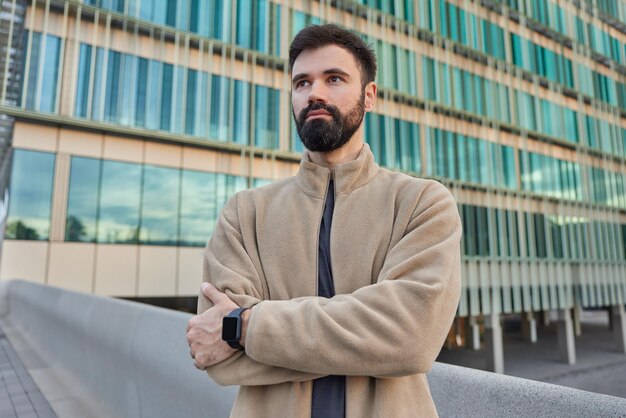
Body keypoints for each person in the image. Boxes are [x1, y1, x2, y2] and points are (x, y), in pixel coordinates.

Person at [186, 24, 461, 418]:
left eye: (334, 78)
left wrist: (244, 327)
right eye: (302, 83)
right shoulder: (244, 213)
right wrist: (366, 342)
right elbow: (219, 355)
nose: (314, 92)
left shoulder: (421, 203)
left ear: (369, 96)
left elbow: (410, 338)